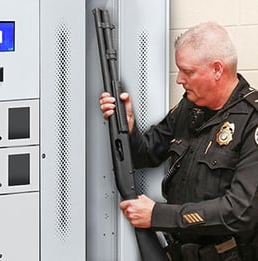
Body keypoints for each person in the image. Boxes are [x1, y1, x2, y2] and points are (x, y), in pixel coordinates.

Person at [99, 22, 258, 260]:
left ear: (217, 70)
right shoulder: (189, 107)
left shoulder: (251, 120)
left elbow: (240, 212)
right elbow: (146, 154)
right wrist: (129, 126)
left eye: (188, 72)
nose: (179, 80)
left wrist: (157, 215)